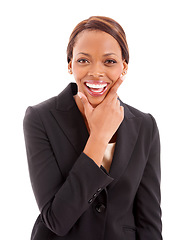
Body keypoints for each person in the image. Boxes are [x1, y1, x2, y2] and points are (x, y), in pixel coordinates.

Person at [23, 16, 162, 240]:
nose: (96, 72)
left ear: (123, 66)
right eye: (84, 60)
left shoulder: (145, 126)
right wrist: (99, 137)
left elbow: (149, 220)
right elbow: (56, 220)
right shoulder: (40, 118)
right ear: (70, 64)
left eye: (109, 61)